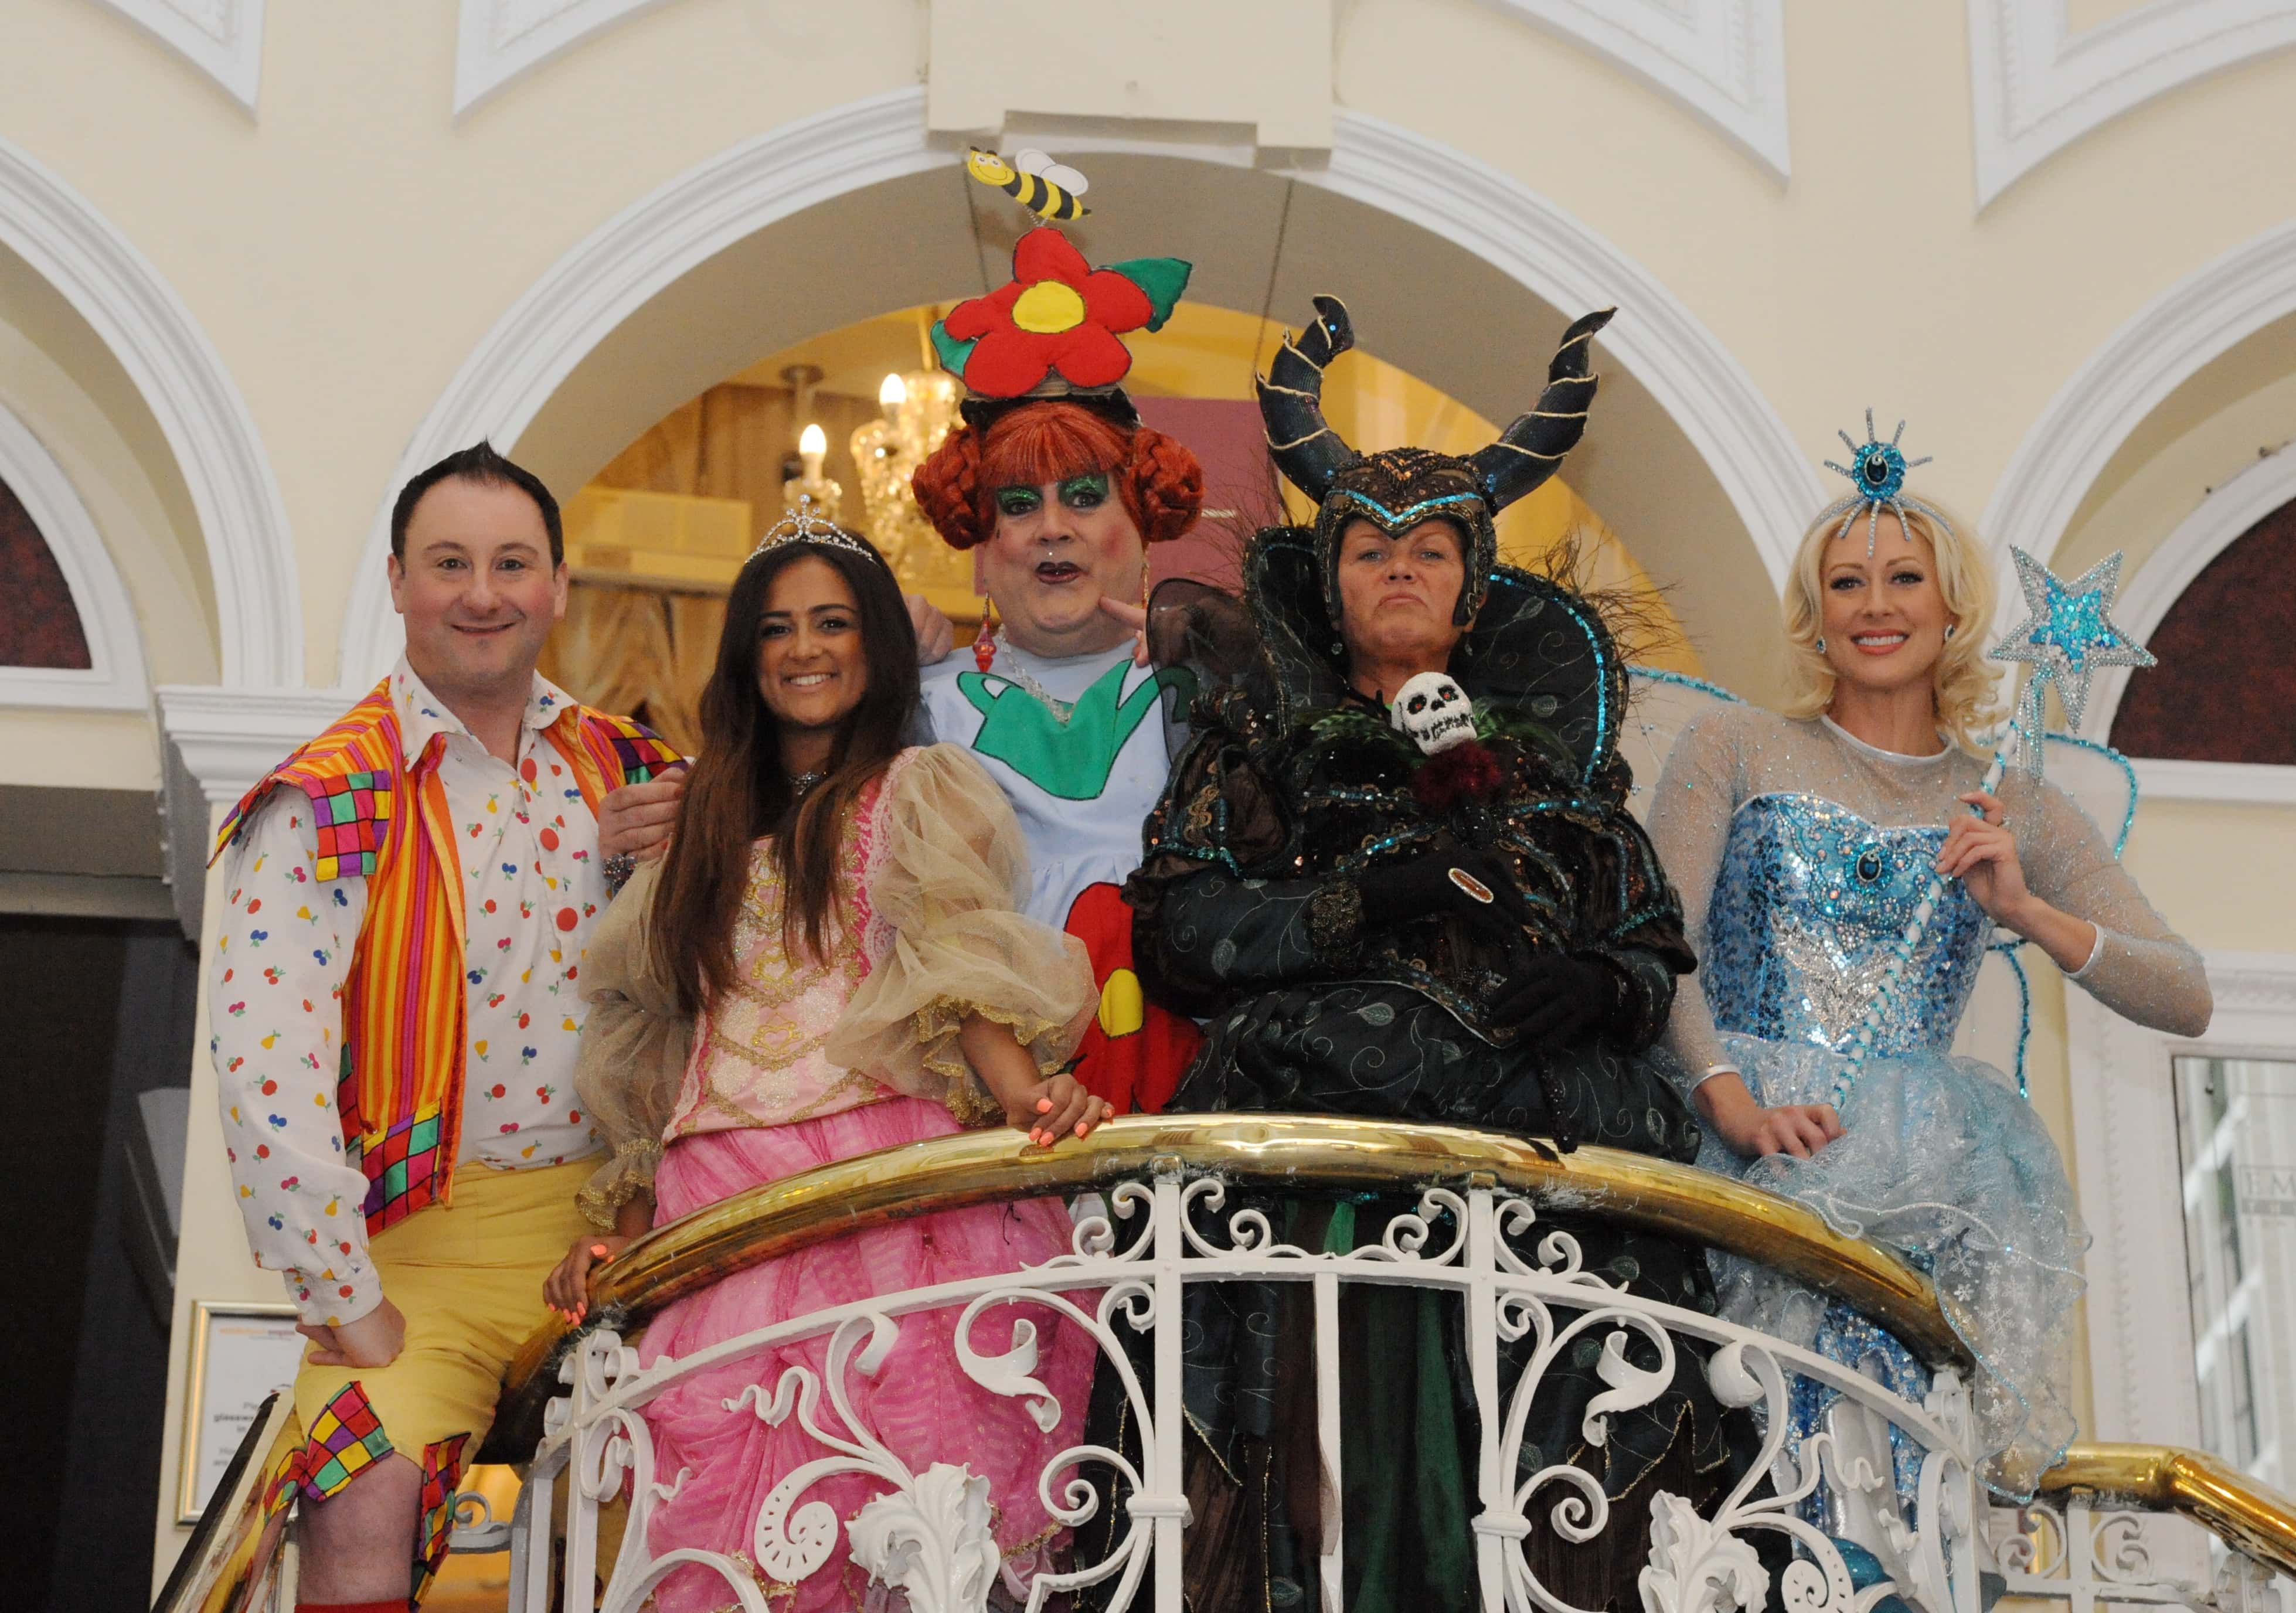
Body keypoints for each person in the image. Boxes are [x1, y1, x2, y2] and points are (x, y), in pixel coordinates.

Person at [1109, 299, 1727, 1613]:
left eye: (1433, 550)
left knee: (1542, 1505)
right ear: (1327, 585)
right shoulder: (1261, 747)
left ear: (1472, 585)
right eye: (1372, 548)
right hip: (1324, 1170)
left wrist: (1603, 984)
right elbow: (1187, 930)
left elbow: (1644, 938)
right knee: (1349, 1494)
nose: (1400, 567)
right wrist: (1362, 901)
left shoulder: (1559, 772)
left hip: (1545, 1181)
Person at [1646, 442, 2213, 1532]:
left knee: (1887, 1491)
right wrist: (1732, 1104)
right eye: (1845, 581)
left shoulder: (2018, 805)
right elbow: (1650, 944)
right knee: (1727, 1480)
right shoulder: (1734, 744)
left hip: (1924, 1179)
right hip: (1735, 1141)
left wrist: (2026, 912)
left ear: (1953, 609)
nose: (1875, 605)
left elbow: (2183, 994)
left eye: (1903, 578)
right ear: (1813, 612)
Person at [550, 506, 1107, 1613]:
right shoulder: (697, 822)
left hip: (886, 1188)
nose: (804, 648)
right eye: (776, 628)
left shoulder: (916, 790)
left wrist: (1027, 1096)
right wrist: (617, 1230)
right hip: (718, 1202)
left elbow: (951, 973)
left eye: (832, 623)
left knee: (910, 1508)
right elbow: (661, 1036)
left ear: (874, 647)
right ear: (746, 656)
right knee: (724, 1521)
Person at [208, 442, 679, 1610]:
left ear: (559, 586)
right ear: (397, 580)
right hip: (417, 1245)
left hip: (621, 1230)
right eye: (450, 562)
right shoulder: (325, 796)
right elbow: (269, 1068)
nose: (483, 592)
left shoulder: (638, 769)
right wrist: (346, 1303)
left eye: (513, 562)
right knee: (361, 1486)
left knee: (685, 1522)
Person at [907, 224, 1213, 1116]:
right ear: (982, 535)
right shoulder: (919, 703)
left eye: (1084, 498)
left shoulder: (1215, 691)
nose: (1052, 528)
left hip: (1188, 1093)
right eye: (1019, 504)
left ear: (1144, 520)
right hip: (983, 1105)